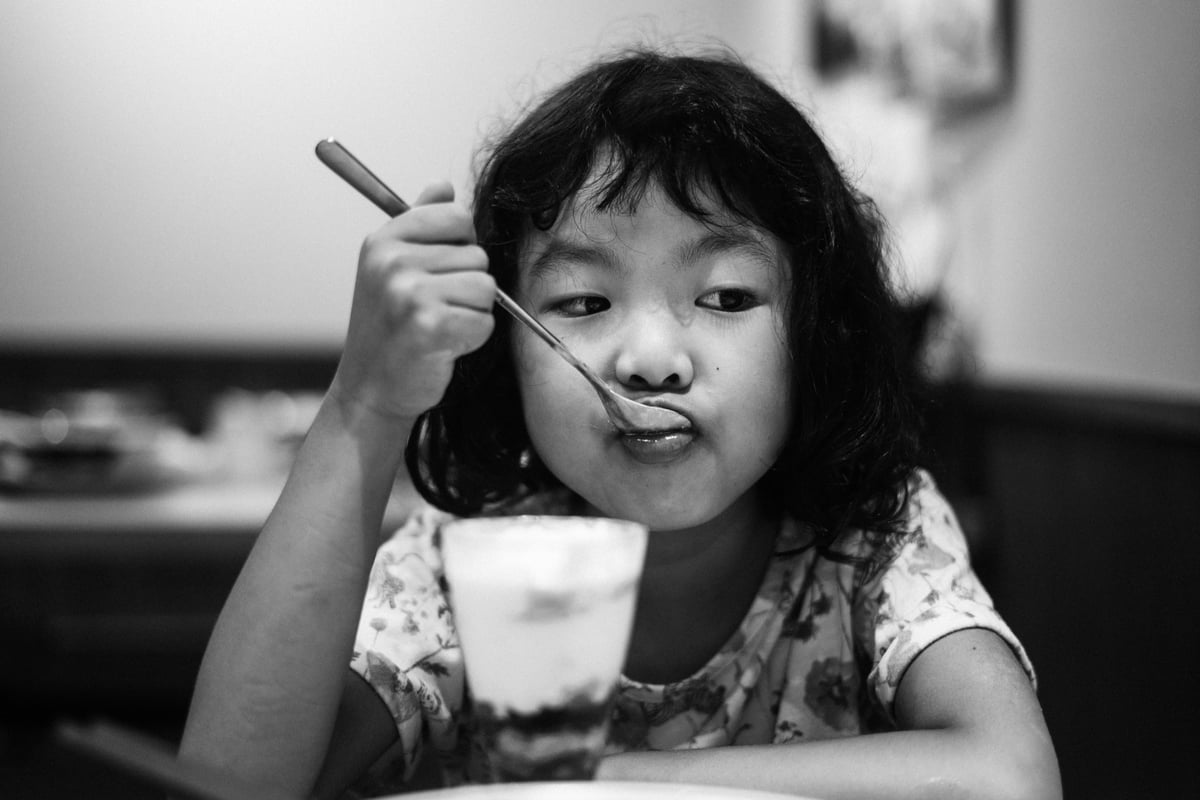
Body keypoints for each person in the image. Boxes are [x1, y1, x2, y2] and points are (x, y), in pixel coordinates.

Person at [180, 47, 1060, 799]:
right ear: (505, 346)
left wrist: (614, 779)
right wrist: (362, 407)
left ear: (815, 339)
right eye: (585, 300)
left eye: (726, 297)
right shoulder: (467, 561)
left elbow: (1008, 777)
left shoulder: (873, 536)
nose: (650, 358)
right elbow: (234, 786)